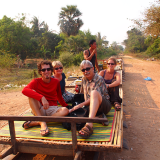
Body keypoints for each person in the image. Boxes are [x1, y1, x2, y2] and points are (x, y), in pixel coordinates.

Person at [22, 60, 69, 136]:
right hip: (40, 109)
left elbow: (59, 97)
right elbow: (24, 90)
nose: (46, 71)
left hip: (52, 109)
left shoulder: (56, 81)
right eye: (43, 70)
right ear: (40, 72)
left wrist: (67, 107)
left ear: (51, 70)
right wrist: (41, 97)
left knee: (65, 110)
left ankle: (38, 122)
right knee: (31, 95)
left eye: (48, 69)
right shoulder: (36, 81)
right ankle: (43, 123)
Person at [69, 60, 111, 138]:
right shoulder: (83, 79)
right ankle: (98, 117)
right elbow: (82, 94)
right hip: (91, 106)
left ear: (92, 68)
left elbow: (95, 97)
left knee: (94, 93)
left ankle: (89, 124)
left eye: (87, 69)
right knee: (75, 112)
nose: (86, 71)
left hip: (103, 105)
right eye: (83, 70)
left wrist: (80, 105)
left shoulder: (99, 79)